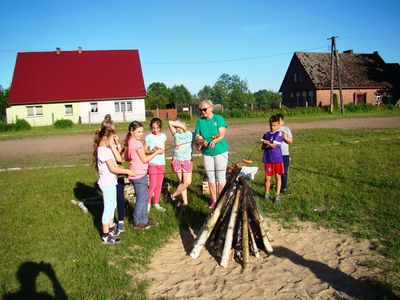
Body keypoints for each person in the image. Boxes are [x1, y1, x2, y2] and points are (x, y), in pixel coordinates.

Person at [93, 124, 135, 244]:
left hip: (111, 182)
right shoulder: (102, 151)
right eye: (112, 138)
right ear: (105, 138)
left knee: (112, 206)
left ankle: (111, 230)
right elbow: (113, 168)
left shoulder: (107, 148)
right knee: (108, 209)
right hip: (107, 184)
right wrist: (127, 171)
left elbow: (119, 159)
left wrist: (113, 144)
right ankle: (106, 236)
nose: (113, 139)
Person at [123, 121, 164, 229]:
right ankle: (137, 223)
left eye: (142, 131)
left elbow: (127, 157)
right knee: (141, 200)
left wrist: (150, 151)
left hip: (135, 173)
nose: (141, 134)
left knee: (144, 198)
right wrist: (156, 152)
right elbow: (145, 159)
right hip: (139, 174)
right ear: (131, 131)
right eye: (138, 131)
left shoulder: (130, 142)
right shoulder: (137, 143)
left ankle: (144, 221)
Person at [194, 99, 229, 209]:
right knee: (211, 178)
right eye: (200, 110)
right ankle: (214, 200)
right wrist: (202, 141)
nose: (202, 112)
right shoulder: (200, 122)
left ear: (211, 108)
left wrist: (214, 141)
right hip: (207, 153)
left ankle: (222, 200)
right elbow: (197, 138)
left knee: (221, 178)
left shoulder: (218, 118)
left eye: (204, 109)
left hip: (220, 151)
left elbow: (221, 134)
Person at [168, 118, 193, 207]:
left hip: (187, 160)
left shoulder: (189, 134)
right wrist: (176, 125)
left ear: (183, 125)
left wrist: (182, 126)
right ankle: (185, 202)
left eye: (178, 126)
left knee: (187, 182)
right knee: (181, 182)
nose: (177, 128)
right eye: (175, 127)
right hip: (177, 160)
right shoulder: (175, 134)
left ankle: (173, 195)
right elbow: (170, 122)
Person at [144, 118, 167, 212]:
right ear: (151, 128)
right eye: (153, 128)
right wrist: (152, 151)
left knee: (159, 185)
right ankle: (148, 204)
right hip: (152, 163)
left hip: (161, 164)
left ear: (160, 128)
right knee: (152, 185)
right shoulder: (148, 137)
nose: (155, 130)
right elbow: (145, 150)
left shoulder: (163, 136)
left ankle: (156, 203)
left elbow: (163, 149)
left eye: (157, 128)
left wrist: (161, 151)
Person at [261, 115, 284, 204]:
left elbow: (274, 145)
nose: (272, 127)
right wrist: (264, 144)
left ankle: (277, 195)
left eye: (274, 125)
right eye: (271, 125)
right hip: (268, 159)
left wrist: (268, 143)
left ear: (278, 125)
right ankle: (267, 194)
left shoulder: (279, 134)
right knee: (267, 178)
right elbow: (262, 148)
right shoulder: (266, 134)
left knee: (278, 177)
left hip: (277, 159)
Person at [276, 113, 293, 195]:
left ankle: (284, 188)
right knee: (277, 172)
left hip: (284, 154)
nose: (278, 124)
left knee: (284, 171)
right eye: (277, 122)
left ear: (283, 121)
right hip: (276, 154)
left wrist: (285, 137)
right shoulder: (274, 129)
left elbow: (291, 141)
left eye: (279, 122)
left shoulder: (286, 129)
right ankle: (278, 185)